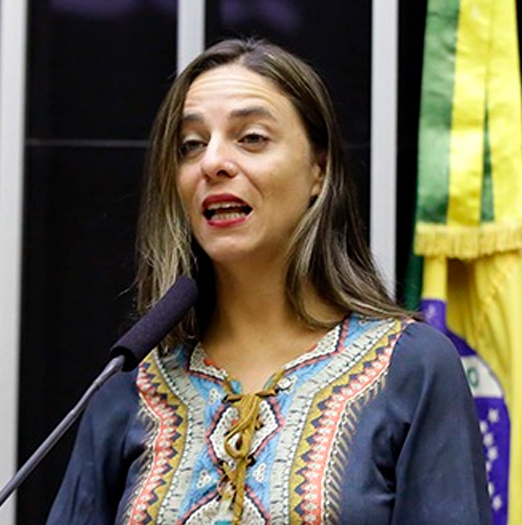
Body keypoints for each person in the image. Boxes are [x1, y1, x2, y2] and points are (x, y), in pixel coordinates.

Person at [47, 38, 491, 524]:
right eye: (191, 145)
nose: (212, 162)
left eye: (252, 138)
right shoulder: (130, 384)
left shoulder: (411, 367)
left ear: (319, 170)